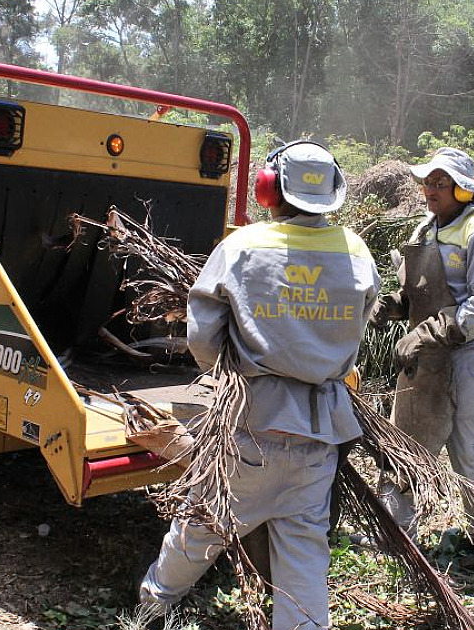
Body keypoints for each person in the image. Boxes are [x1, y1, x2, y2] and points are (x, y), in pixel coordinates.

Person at [140, 141, 381, 630]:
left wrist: (228, 372)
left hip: (251, 423)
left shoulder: (242, 247)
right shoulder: (356, 252)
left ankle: (152, 604)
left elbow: (202, 337)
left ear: (269, 189)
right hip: (321, 434)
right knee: (304, 548)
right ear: (333, 192)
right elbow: (360, 324)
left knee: (202, 526)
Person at [371, 147, 474, 575]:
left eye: (440, 183)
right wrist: (393, 306)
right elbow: (417, 289)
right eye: (428, 182)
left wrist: (432, 332)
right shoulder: (424, 230)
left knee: (472, 446)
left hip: (467, 352)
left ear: (463, 189)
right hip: (425, 354)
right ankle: (396, 532)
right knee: (405, 442)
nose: (430, 190)